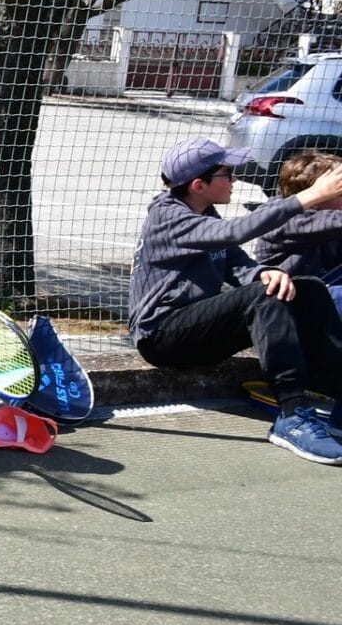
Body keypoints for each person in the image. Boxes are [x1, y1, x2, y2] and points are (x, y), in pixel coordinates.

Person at [131, 136, 342, 462]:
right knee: (262, 296)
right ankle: (292, 415)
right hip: (162, 336)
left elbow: (240, 268)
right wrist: (310, 196)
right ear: (199, 185)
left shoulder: (206, 215)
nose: (234, 180)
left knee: (307, 288)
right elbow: (234, 233)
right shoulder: (169, 218)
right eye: (227, 174)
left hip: (199, 334)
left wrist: (264, 273)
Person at [252, 150, 342, 318]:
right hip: (288, 302)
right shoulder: (284, 219)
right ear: (317, 196)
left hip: (323, 287)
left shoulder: (325, 212)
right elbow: (333, 221)